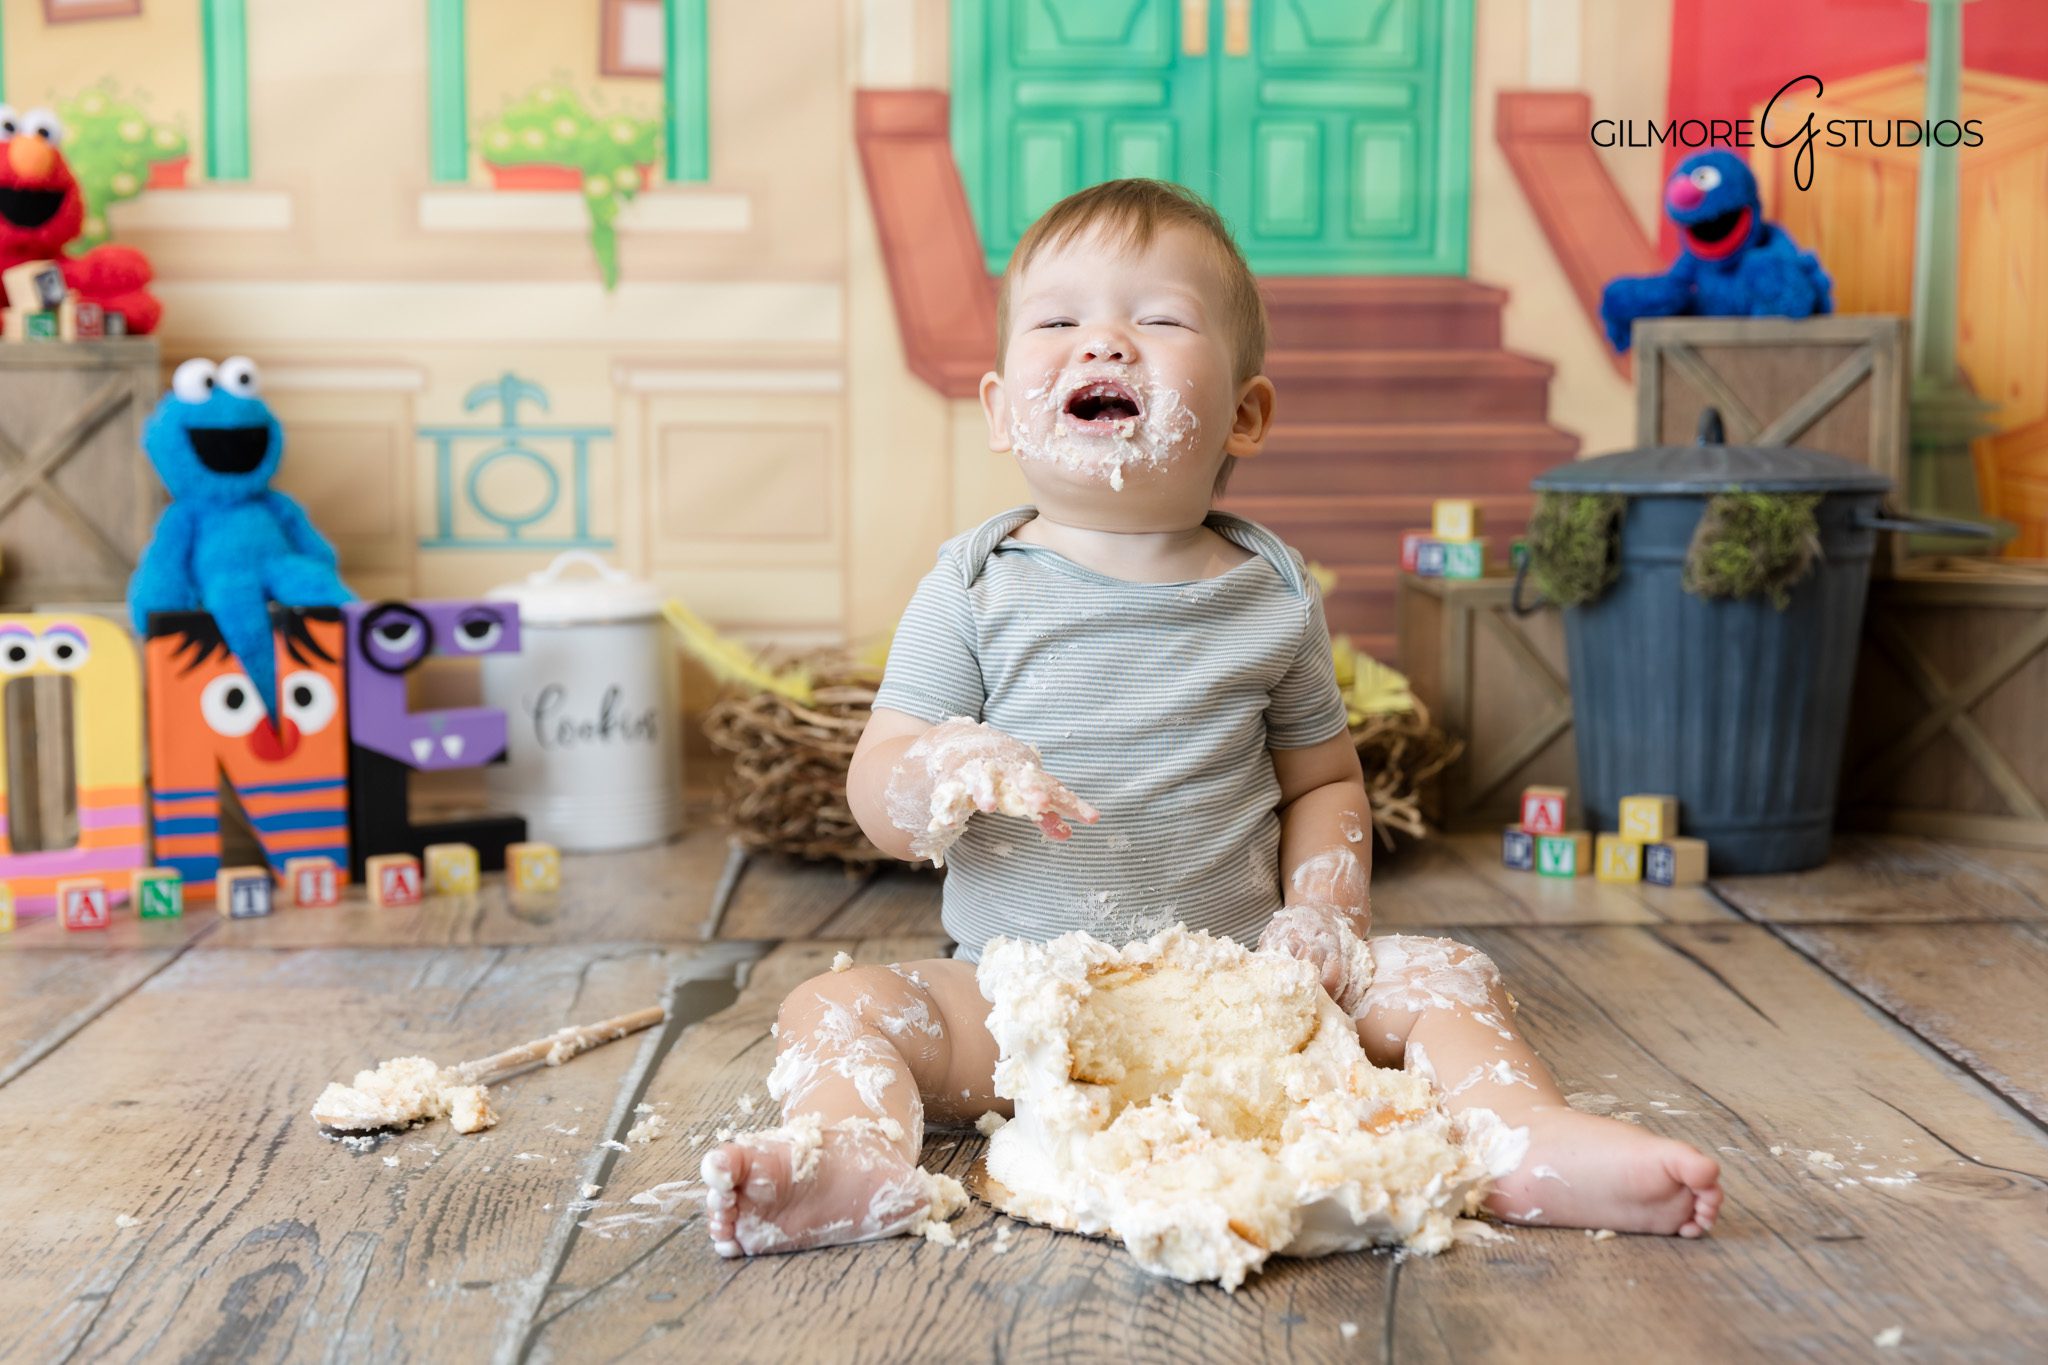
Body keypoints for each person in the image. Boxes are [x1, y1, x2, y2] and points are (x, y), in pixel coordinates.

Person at [703, 179, 1722, 1256]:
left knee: (1445, 976)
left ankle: (1519, 1139)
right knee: (840, 1005)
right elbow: (879, 786)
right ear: (1003, 411)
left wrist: (1324, 916)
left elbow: (1324, 783)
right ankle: (848, 1157)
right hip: (1021, 1007)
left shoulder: (1271, 591)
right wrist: (936, 770)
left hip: (1254, 999)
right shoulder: (972, 587)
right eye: (1060, 322)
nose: (1102, 343)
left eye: (1155, 319)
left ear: (1244, 412)